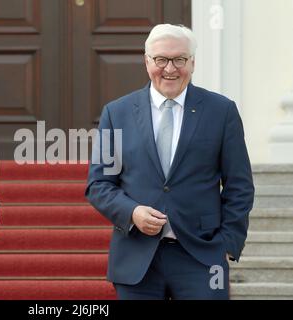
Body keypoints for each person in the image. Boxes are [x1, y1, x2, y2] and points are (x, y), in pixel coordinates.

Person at [85, 24, 254, 299]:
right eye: (161, 59)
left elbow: (240, 186)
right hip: (136, 259)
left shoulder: (222, 112)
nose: (170, 69)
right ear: (147, 61)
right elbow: (99, 184)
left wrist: (227, 243)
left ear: (193, 62)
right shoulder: (117, 113)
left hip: (203, 257)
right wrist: (132, 212)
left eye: (179, 59)